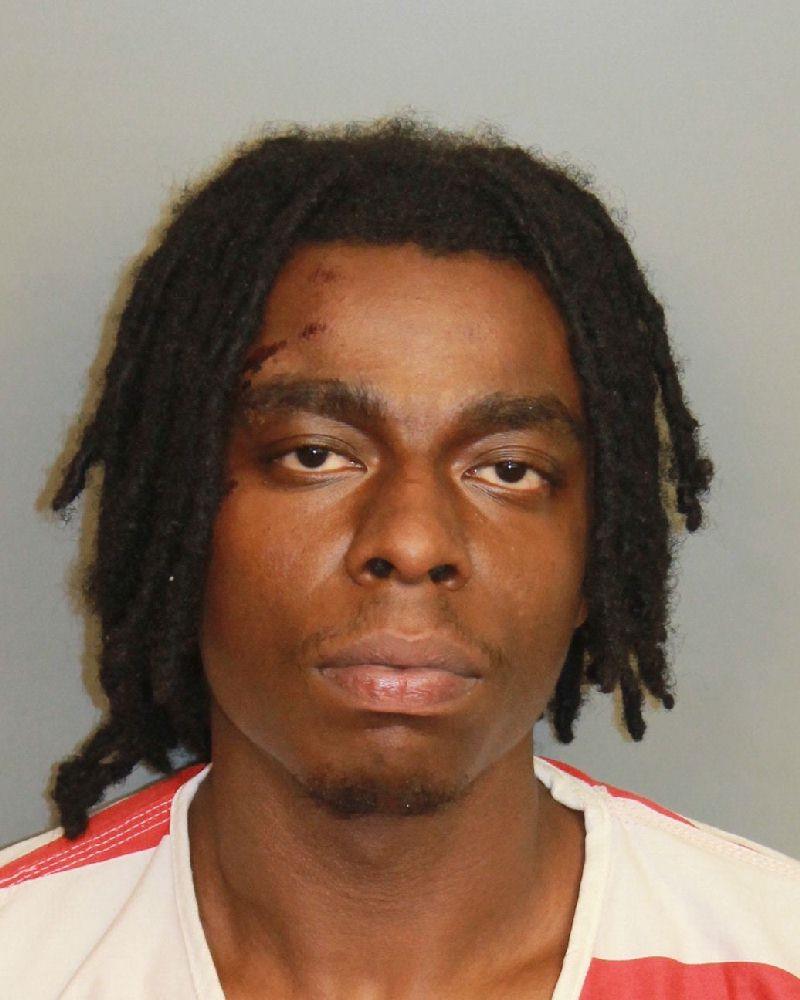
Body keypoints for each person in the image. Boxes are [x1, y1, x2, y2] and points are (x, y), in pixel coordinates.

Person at [1, 117, 797, 999]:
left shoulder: (772, 961)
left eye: (508, 470)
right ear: (179, 518)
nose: (413, 544)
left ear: (597, 555)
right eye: (315, 455)